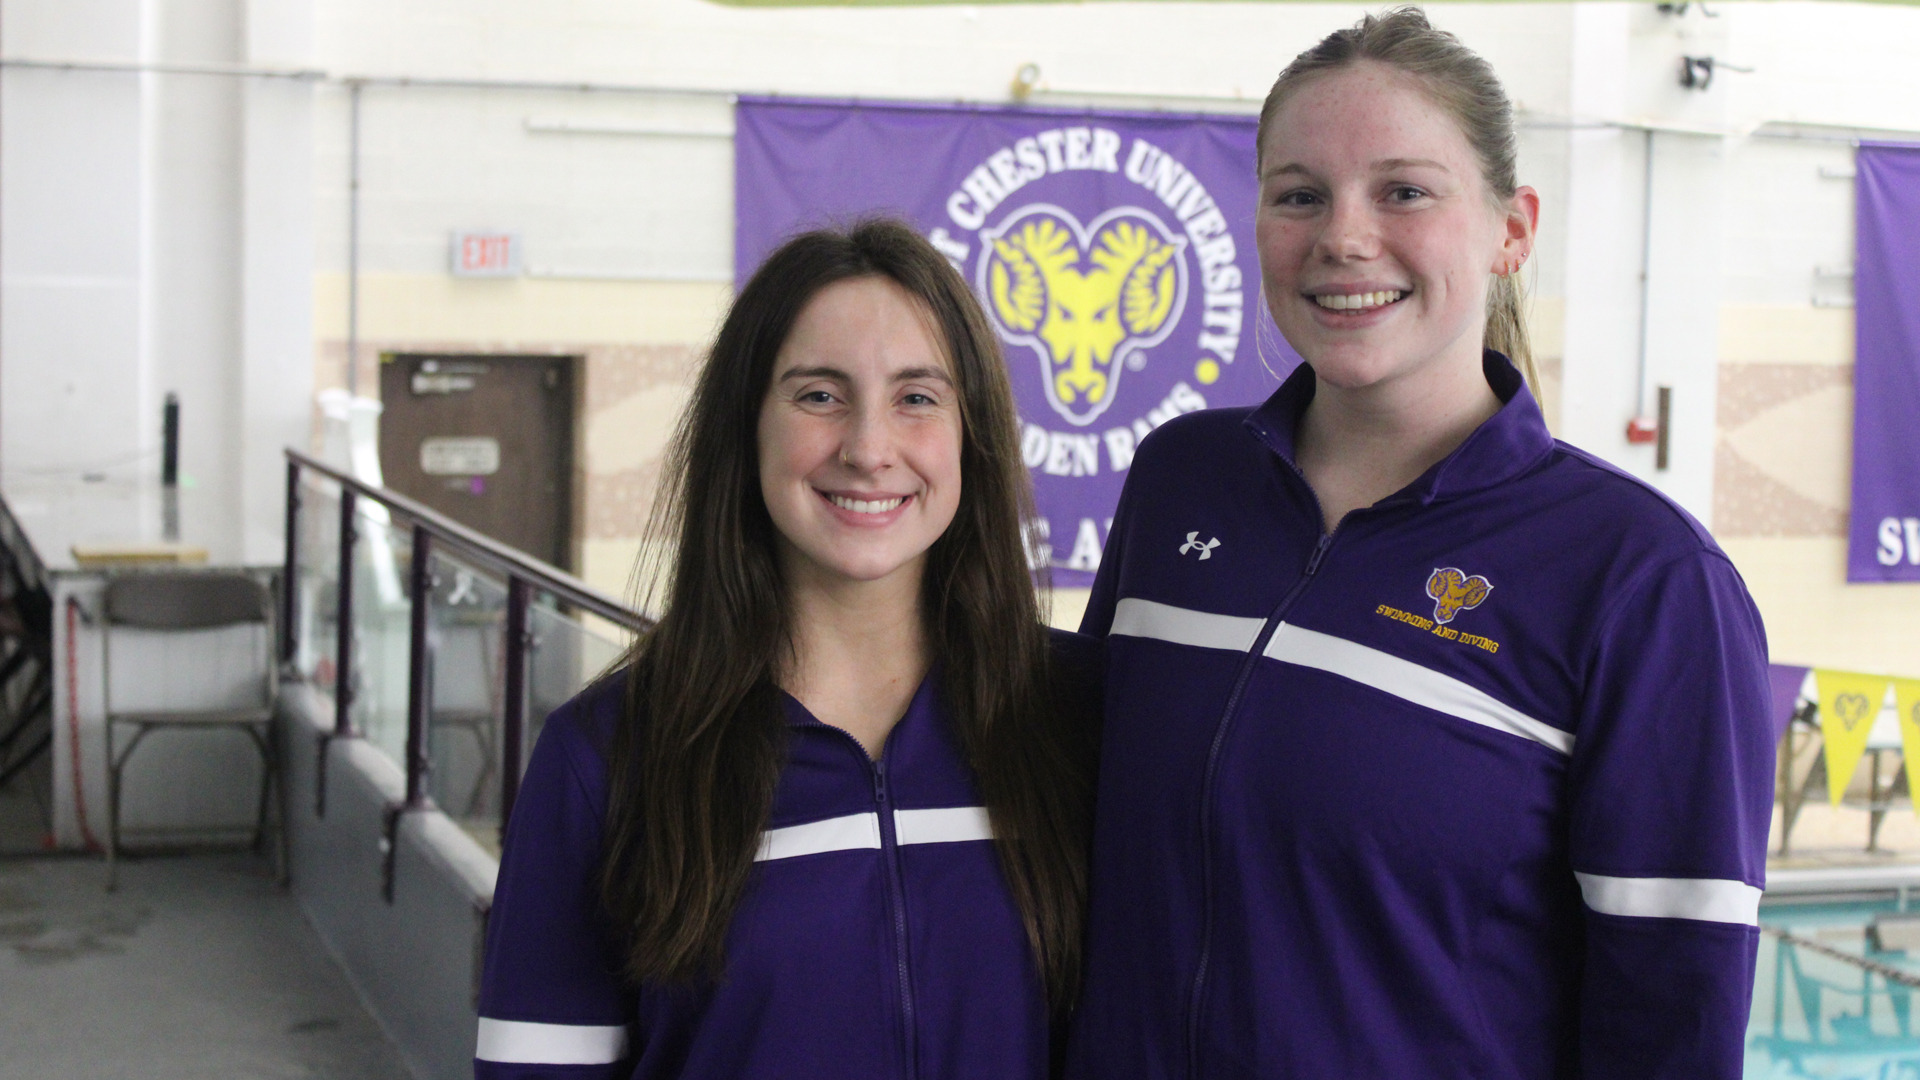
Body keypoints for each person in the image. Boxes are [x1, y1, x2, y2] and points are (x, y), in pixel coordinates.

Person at [1065, 9, 1772, 1079]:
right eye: (1300, 194)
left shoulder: (1642, 583)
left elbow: (1671, 1020)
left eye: (1404, 190)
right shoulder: (1182, 480)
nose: (1344, 237)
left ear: (1511, 229)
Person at [474, 219, 1101, 1080]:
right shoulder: (606, 759)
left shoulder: (1075, 714)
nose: (869, 449)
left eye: (917, 397)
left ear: (972, 435)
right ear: (747, 429)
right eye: (819, 396)